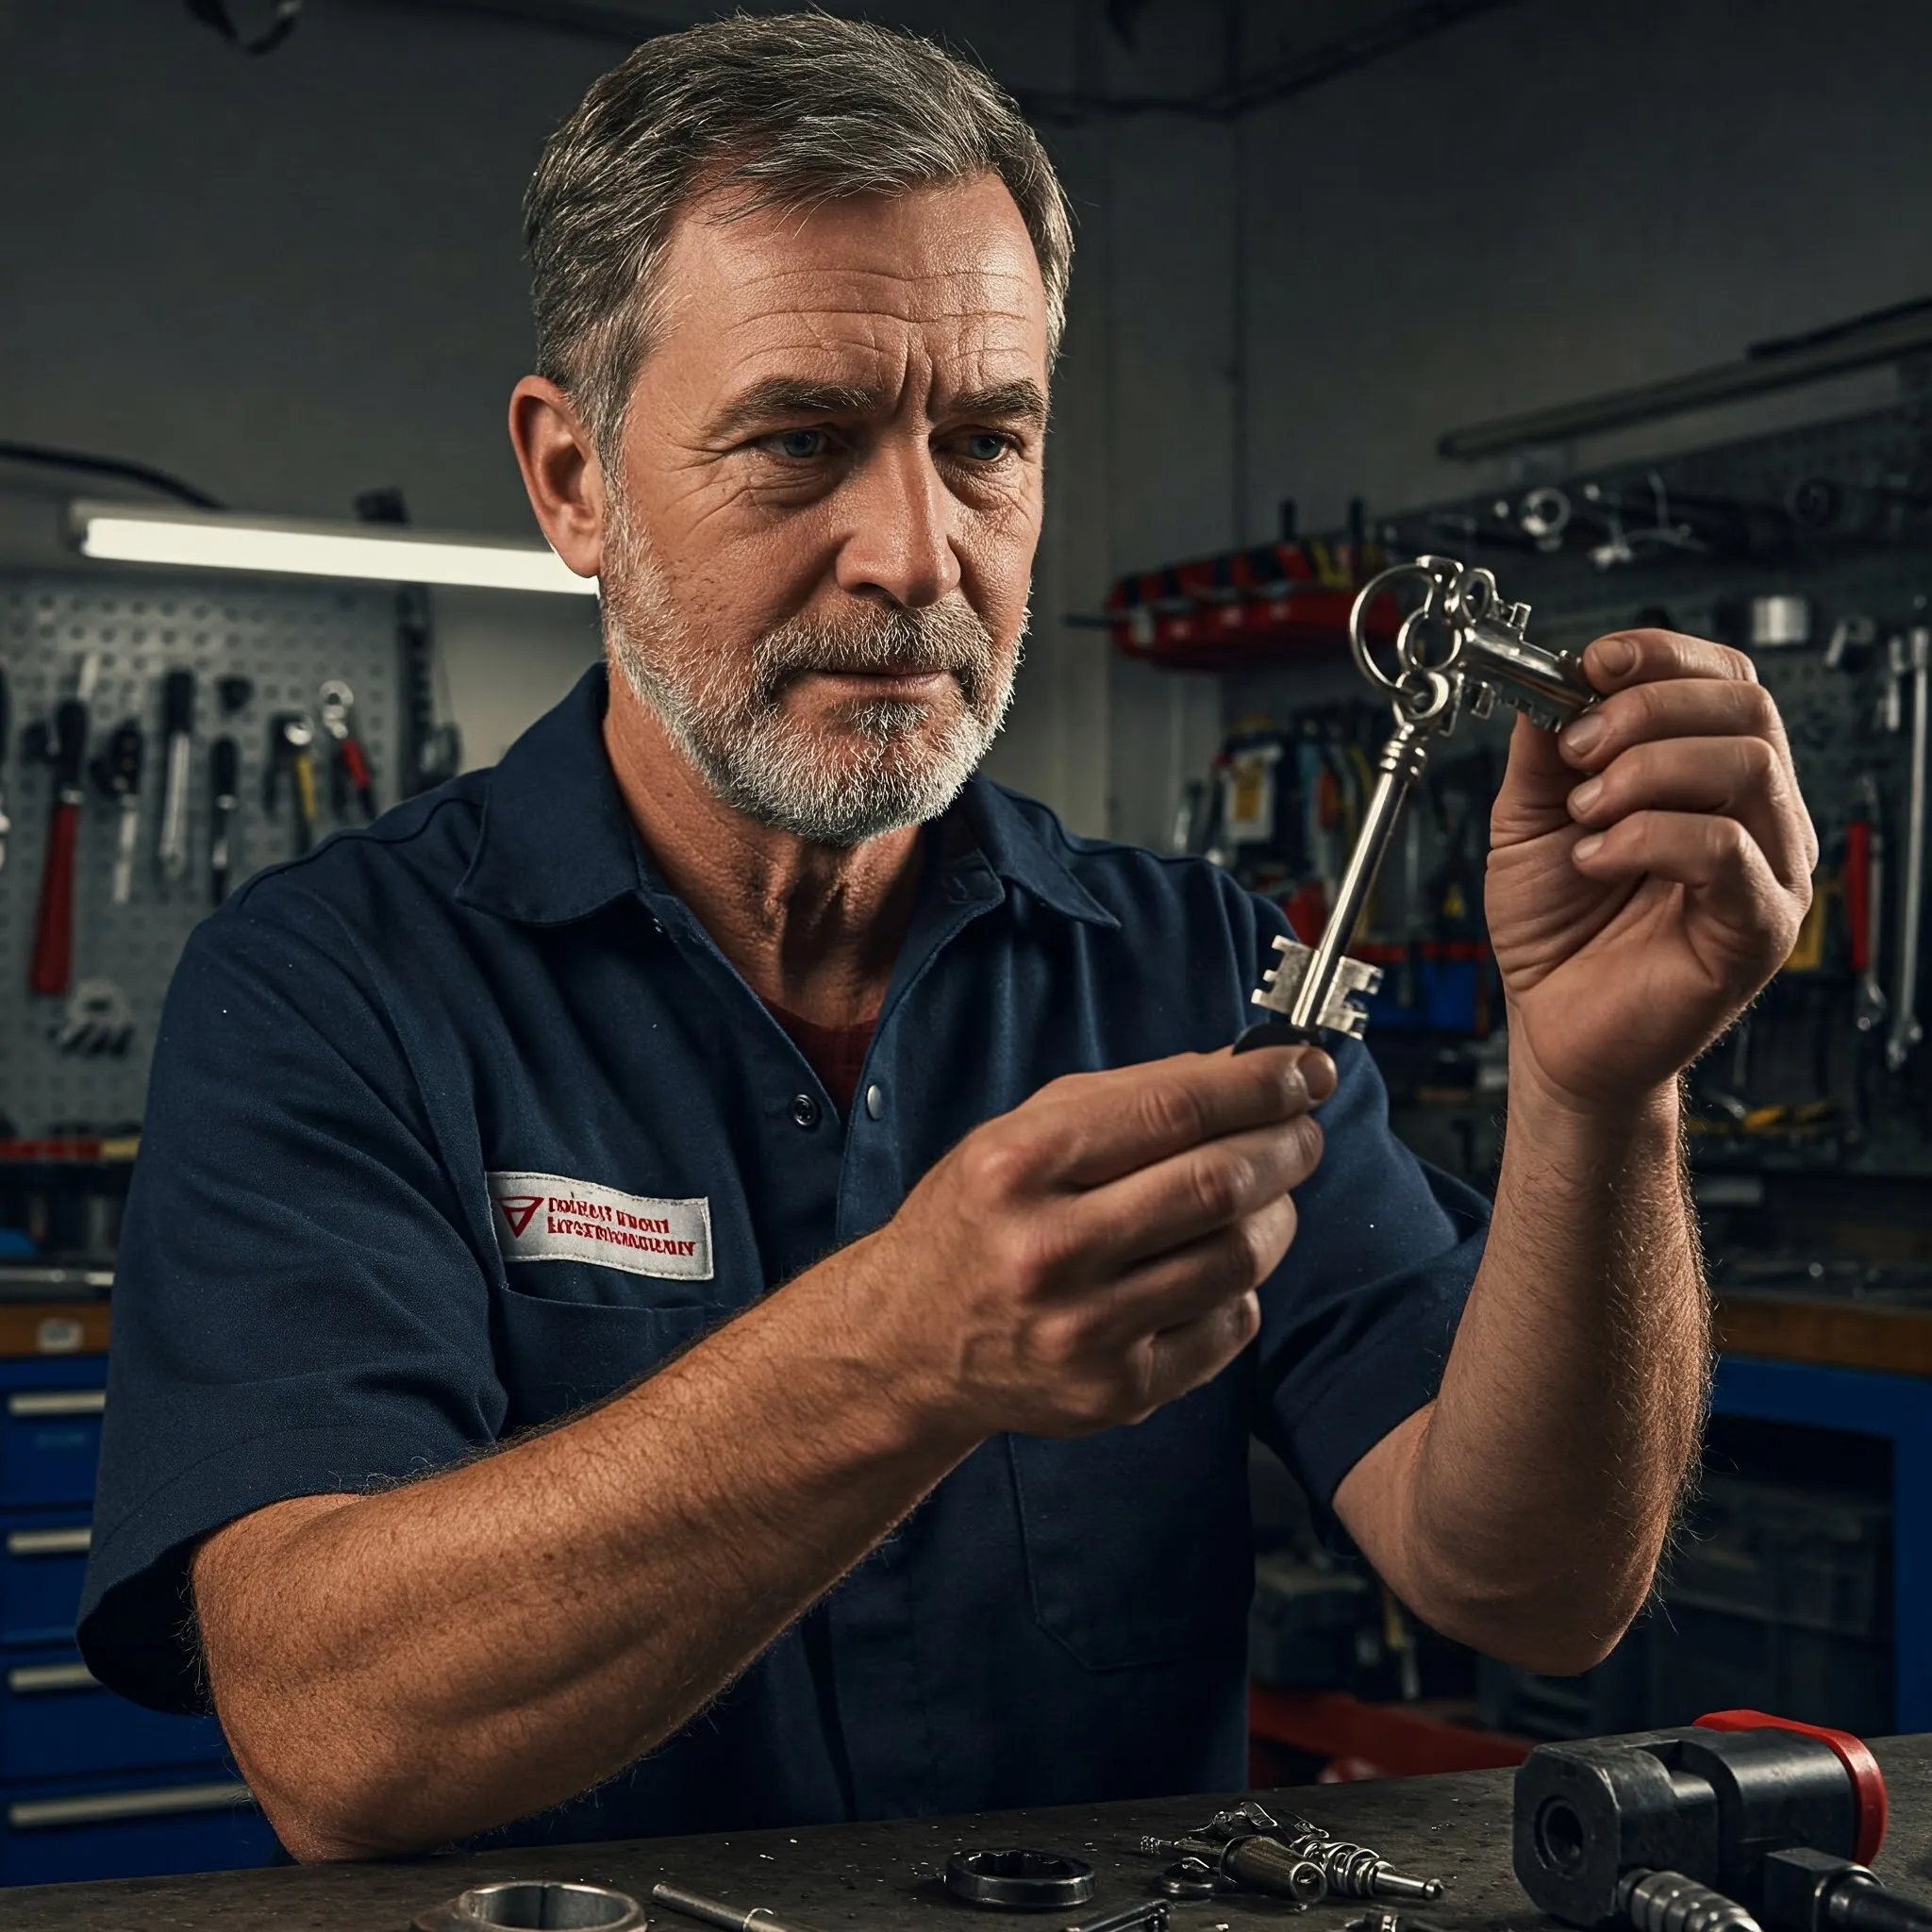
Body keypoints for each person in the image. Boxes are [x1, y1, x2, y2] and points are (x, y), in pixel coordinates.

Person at [78, 13, 1813, 1863]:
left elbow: (1527, 1581)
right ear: (573, 477)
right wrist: (894, 1357)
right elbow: (330, 1731)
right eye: (803, 441)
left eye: (983, 442)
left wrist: (1596, 1089)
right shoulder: (334, 989)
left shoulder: (1188, 970)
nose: (916, 550)